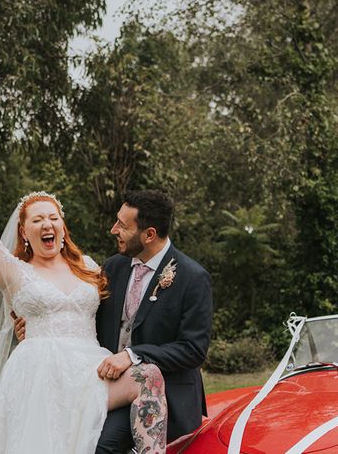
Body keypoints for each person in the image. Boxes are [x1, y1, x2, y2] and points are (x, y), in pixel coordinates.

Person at [0, 151, 166, 454]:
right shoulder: (13, 272)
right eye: (37, 220)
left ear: (63, 227)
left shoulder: (90, 267)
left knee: (149, 377)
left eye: (53, 218)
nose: (47, 224)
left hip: (91, 372)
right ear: (24, 232)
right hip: (39, 376)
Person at [14, 189, 213, 452]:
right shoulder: (113, 267)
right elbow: (83, 317)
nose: (113, 229)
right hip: (103, 388)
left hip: (166, 395)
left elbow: (193, 349)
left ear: (149, 234)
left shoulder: (192, 278)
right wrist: (39, 327)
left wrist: (133, 355)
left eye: (122, 224)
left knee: (98, 446)